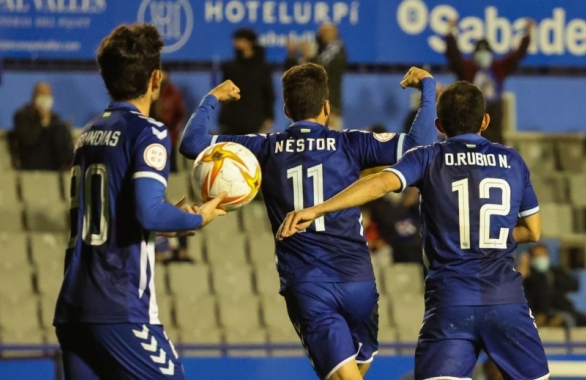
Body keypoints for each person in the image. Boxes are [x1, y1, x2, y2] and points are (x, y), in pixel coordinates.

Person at [179, 64, 437, 380]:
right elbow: (420, 142)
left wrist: (212, 98)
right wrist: (427, 85)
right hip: (358, 282)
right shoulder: (350, 143)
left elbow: (191, 144)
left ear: (286, 108)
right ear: (326, 107)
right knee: (357, 370)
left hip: (309, 283)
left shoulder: (266, 146)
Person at [278, 81, 549, 380]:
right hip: (506, 302)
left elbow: (380, 183)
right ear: (485, 121)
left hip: (450, 305)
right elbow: (532, 231)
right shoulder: (512, 161)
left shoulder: (428, 157)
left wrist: (318, 209)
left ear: (439, 124)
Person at [53, 24, 226, 380]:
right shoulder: (149, 131)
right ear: (155, 78)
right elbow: (148, 212)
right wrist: (198, 218)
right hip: (119, 308)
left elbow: (118, 217)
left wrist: (169, 222)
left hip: (73, 310)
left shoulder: (87, 135)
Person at [444, 17, 534, 144]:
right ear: (474, 54)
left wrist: (528, 35)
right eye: (479, 52)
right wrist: (449, 33)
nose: (483, 55)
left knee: (495, 145)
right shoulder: (468, 69)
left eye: (485, 52)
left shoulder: (498, 68)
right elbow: (454, 56)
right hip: (473, 117)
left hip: (494, 118)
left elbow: (516, 56)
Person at [286, 23, 347, 130]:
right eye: (321, 31)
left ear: (335, 32)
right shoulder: (318, 50)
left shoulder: (337, 51)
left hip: (329, 109)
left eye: (326, 30)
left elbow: (321, 72)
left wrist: (310, 56)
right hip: (306, 109)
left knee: (329, 144)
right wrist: (292, 55)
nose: (322, 33)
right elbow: (293, 74)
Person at [523, 243, 586, 328]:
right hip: (545, 312)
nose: (541, 259)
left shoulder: (556, 272)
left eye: (543, 255)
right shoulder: (529, 277)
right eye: (537, 256)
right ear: (531, 258)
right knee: (567, 320)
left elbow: (573, 285)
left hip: (565, 309)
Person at [219, 28, 275, 135]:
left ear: (249, 42)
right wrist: (223, 119)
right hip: (232, 122)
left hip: (255, 121)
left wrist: (269, 117)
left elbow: (268, 93)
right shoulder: (230, 67)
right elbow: (225, 94)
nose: (235, 44)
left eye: (239, 40)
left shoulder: (263, 68)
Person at [11, 82, 73, 171]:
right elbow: (28, 140)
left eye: (48, 95)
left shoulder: (54, 118)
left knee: (60, 129)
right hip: (32, 162)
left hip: (54, 164)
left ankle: (70, 163)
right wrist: (43, 122)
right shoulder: (22, 115)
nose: (45, 98)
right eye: (42, 94)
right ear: (34, 96)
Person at [151, 72, 186, 172]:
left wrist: (174, 126)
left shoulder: (173, 93)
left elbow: (180, 112)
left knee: (171, 161)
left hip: (169, 131)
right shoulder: (152, 93)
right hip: (154, 131)